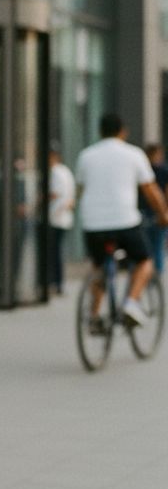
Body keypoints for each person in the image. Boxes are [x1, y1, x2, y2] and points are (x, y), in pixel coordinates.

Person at [75, 112, 168, 328]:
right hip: (125, 221)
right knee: (145, 261)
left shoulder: (86, 156)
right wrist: (163, 214)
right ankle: (131, 302)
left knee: (99, 266)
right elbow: (150, 190)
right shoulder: (134, 154)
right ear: (123, 131)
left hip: (93, 223)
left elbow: (79, 190)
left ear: (100, 131)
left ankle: (94, 316)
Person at [48, 142, 75, 295]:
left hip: (55, 217)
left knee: (53, 253)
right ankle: (57, 283)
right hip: (63, 218)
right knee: (57, 252)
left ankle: (54, 282)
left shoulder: (56, 172)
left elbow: (55, 193)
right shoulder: (66, 172)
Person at [139, 143, 168, 273]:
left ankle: (147, 273)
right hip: (158, 211)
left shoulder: (142, 169)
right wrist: (164, 211)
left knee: (144, 247)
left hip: (142, 212)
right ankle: (157, 274)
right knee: (158, 246)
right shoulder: (163, 170)